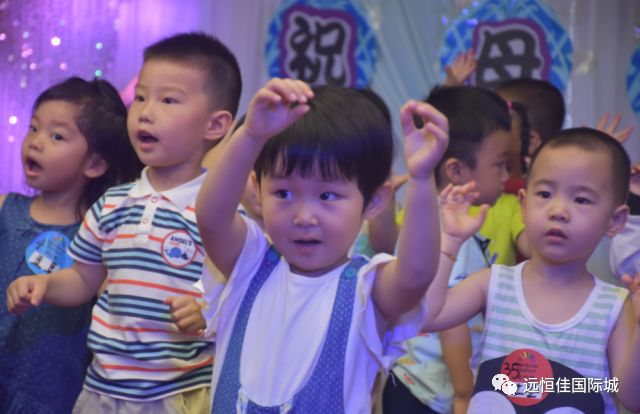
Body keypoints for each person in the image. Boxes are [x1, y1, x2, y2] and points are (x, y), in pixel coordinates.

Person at [7, 32, 241, 413]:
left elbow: (242, 290)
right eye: (142, 97)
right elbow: (84, 278)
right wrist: (46, 285)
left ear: (214, 125)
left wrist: (208, 311)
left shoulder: (217, 213)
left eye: (168, 100)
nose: (145, 112)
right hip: (101, 389)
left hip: (176, 395)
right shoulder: (112, 203)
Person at [196, 79, 448, 413]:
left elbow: (415, 274)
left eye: (327, 195)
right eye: (284, 193)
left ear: (374, 201)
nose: (304, 217)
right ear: (258, 190)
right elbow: (211, 217)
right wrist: (250, 136)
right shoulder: (249, 263)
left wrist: (422, 179)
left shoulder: (366, 290)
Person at [423, 127, 640, 413]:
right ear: (523, 206)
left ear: (615, 220)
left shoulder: (614, 306)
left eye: (581, 199)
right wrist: (449, 243)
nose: (558, 211)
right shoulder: (493, 283)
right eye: (545, 193)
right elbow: (427, 316)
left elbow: (631, 399)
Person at [0, 76, 142, 414]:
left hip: (50, 394)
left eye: (56, 136)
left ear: (94, 164)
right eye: (34, 128)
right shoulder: (5, 208)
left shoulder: (98, 235)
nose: (35, 142)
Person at [383, 85, 511, 414]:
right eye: (500, 165)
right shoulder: (450, 234)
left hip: (414, 384)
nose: (507, 176)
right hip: (430, 395)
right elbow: (452, 327)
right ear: (455, 170)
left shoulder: (429, 221)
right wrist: (465, 395)